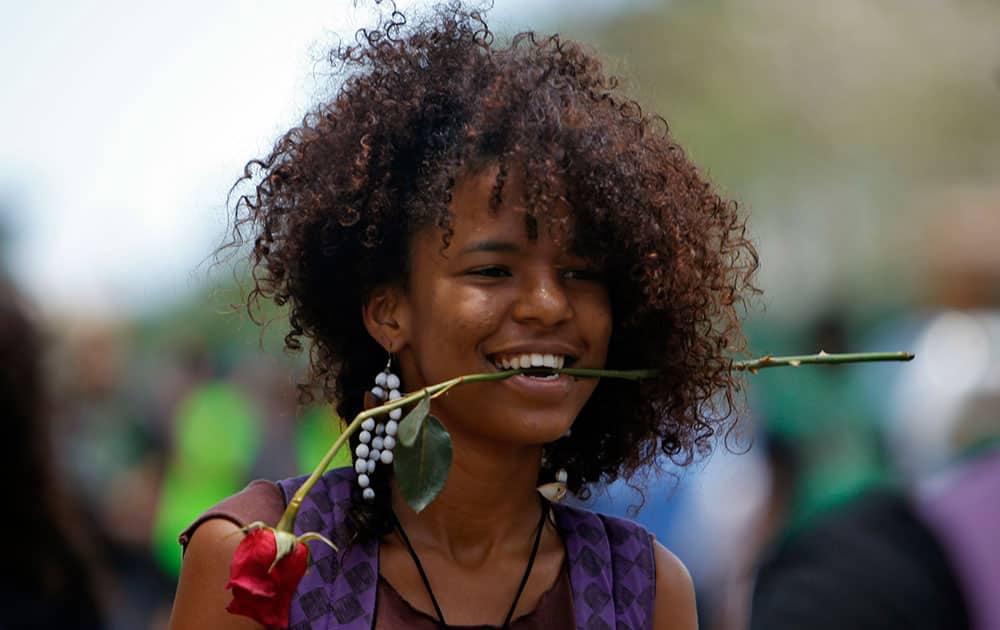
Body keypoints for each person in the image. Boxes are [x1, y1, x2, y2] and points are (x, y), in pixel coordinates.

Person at [169, 3, 757, 628]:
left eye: (581, 273)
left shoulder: (645, 590)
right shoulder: (259, 566)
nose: (549, 305)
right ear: (388, 311)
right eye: (493, 271)